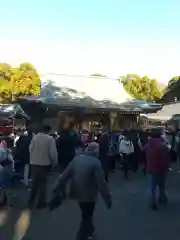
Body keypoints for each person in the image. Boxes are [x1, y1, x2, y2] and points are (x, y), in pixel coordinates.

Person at [52, 142, 112, 240]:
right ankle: (82, 235)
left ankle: (90, 230)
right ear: (96, 151)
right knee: (87, 215)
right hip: (90, 193)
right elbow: (101, 183)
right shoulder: (96, 162)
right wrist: (107, 199)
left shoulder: (77, 159)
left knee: (86, 213)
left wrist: (56, 188)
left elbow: (65, 175)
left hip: (77, 192)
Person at [28, 124, 57, 209]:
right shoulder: (50, 139)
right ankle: (41, 203)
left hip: (34, 163)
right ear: (48, 130)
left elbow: (30, 149)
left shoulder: (35, 137)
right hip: (45, 164)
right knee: (43, 184)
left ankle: (30, 201)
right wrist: (54, 163)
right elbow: (53, 153)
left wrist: (32, 159)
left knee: (34, 184)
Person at [144, 130, 169, 210]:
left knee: (152, 187)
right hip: (161, 168)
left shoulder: (148, 145)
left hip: (151, 168)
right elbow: (166, 158)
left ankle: (152, 202)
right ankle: (162, 199)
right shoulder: (163, 145)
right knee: (161, 185)